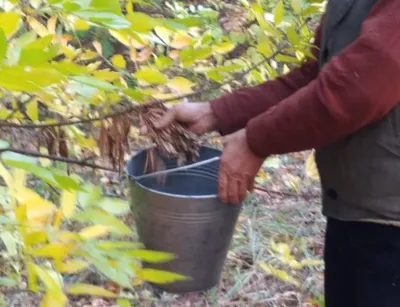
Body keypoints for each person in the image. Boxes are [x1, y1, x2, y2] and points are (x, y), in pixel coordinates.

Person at [141, 0, 400, 306]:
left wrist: (256, 141)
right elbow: (317, 77)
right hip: (358, 212)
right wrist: (217, 112)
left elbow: (359, 88)